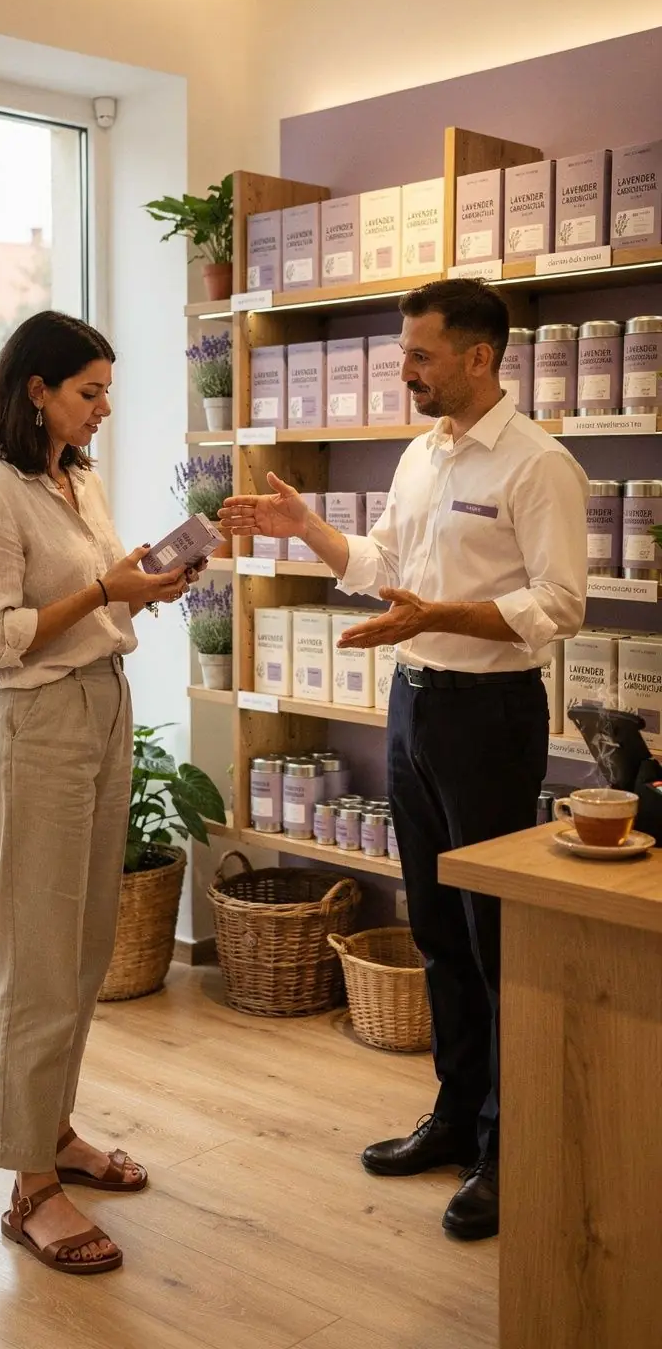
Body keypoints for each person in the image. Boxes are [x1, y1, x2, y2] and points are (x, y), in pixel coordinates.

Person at [220, 279, 588, 1242]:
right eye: (405, 353)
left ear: (479, 357)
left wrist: (443, 616)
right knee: (433, 925)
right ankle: (457, 1118)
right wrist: (310, 531)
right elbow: (385, 563)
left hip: (490, 716)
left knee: (494, 940)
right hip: (414, 705)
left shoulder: (539, 465)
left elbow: (558, 605)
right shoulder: (422, 454)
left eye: (421, 355)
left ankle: (512, 1148)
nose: (405, 369)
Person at [0, 310, 196, 1276]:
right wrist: (103, 593)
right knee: (38, 960)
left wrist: (145, 586)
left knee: (85, 950)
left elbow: (96, 592)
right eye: (89, 393)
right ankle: (30, 1189)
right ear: (37, 389)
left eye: (107, 394)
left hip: (102, 708)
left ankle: (56, 1136)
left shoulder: (77, 481)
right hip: (38, 726)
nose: (103, 411)